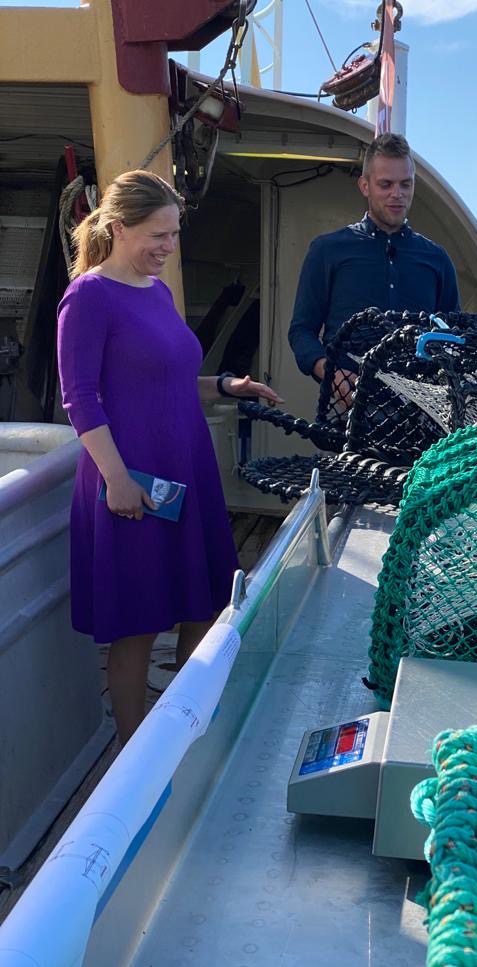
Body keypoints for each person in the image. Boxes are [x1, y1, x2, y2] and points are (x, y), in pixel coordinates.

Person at [57, 169, 282, 745]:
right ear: (117, 228)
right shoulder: (87, 297)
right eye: (158, 235)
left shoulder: (156, 291)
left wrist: (225, 385)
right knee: (137, 624)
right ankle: (134, 754)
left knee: (202, 605)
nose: (169, 246)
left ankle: (183, 732)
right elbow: (80, 397)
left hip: (185, 470)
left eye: (175, 233)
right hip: (130, 476)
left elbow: (166, 377)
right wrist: (116, 480)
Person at [288, 132, 460, 400]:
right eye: (385, 184)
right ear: (365, 186)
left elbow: (454, 337)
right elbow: (301, 331)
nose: (397, 194)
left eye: (405, 184)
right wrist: (331, 374)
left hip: (421, 411)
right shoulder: (327, 250)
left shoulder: (437, 258)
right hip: (347, 410)